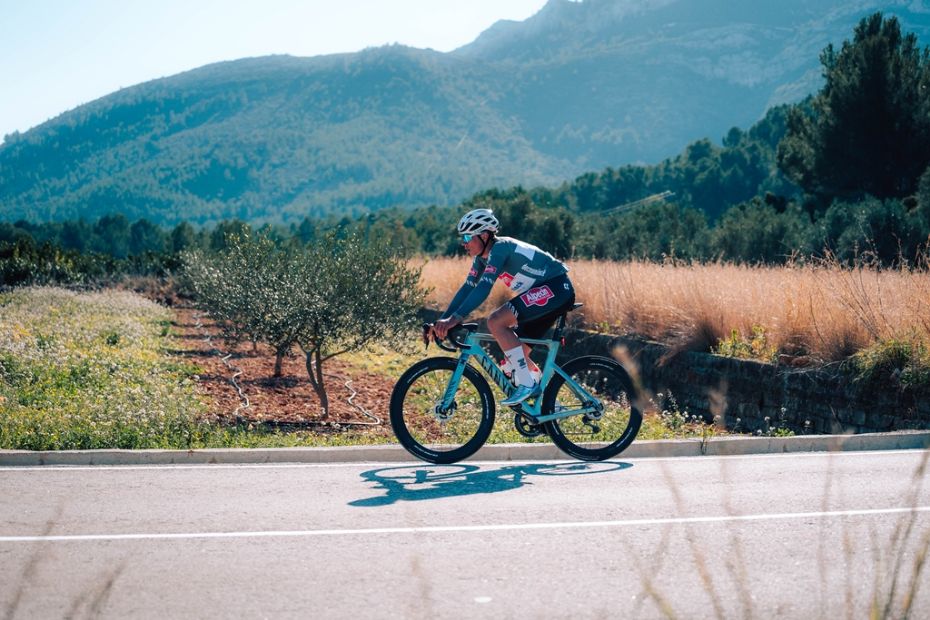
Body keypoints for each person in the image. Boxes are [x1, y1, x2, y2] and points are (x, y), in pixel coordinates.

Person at [430, 208, 576, 406]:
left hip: (556, 288)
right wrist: (443, 321)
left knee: (496, 321)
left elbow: (484, 287)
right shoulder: (481, 259)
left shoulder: (500, 248)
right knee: (512, 363)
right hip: (543, 295)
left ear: (483, 235)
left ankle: (527, 385)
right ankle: (547, 406)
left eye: (467, 237)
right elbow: (468, 288)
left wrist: (456, 318)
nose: (464, 243)